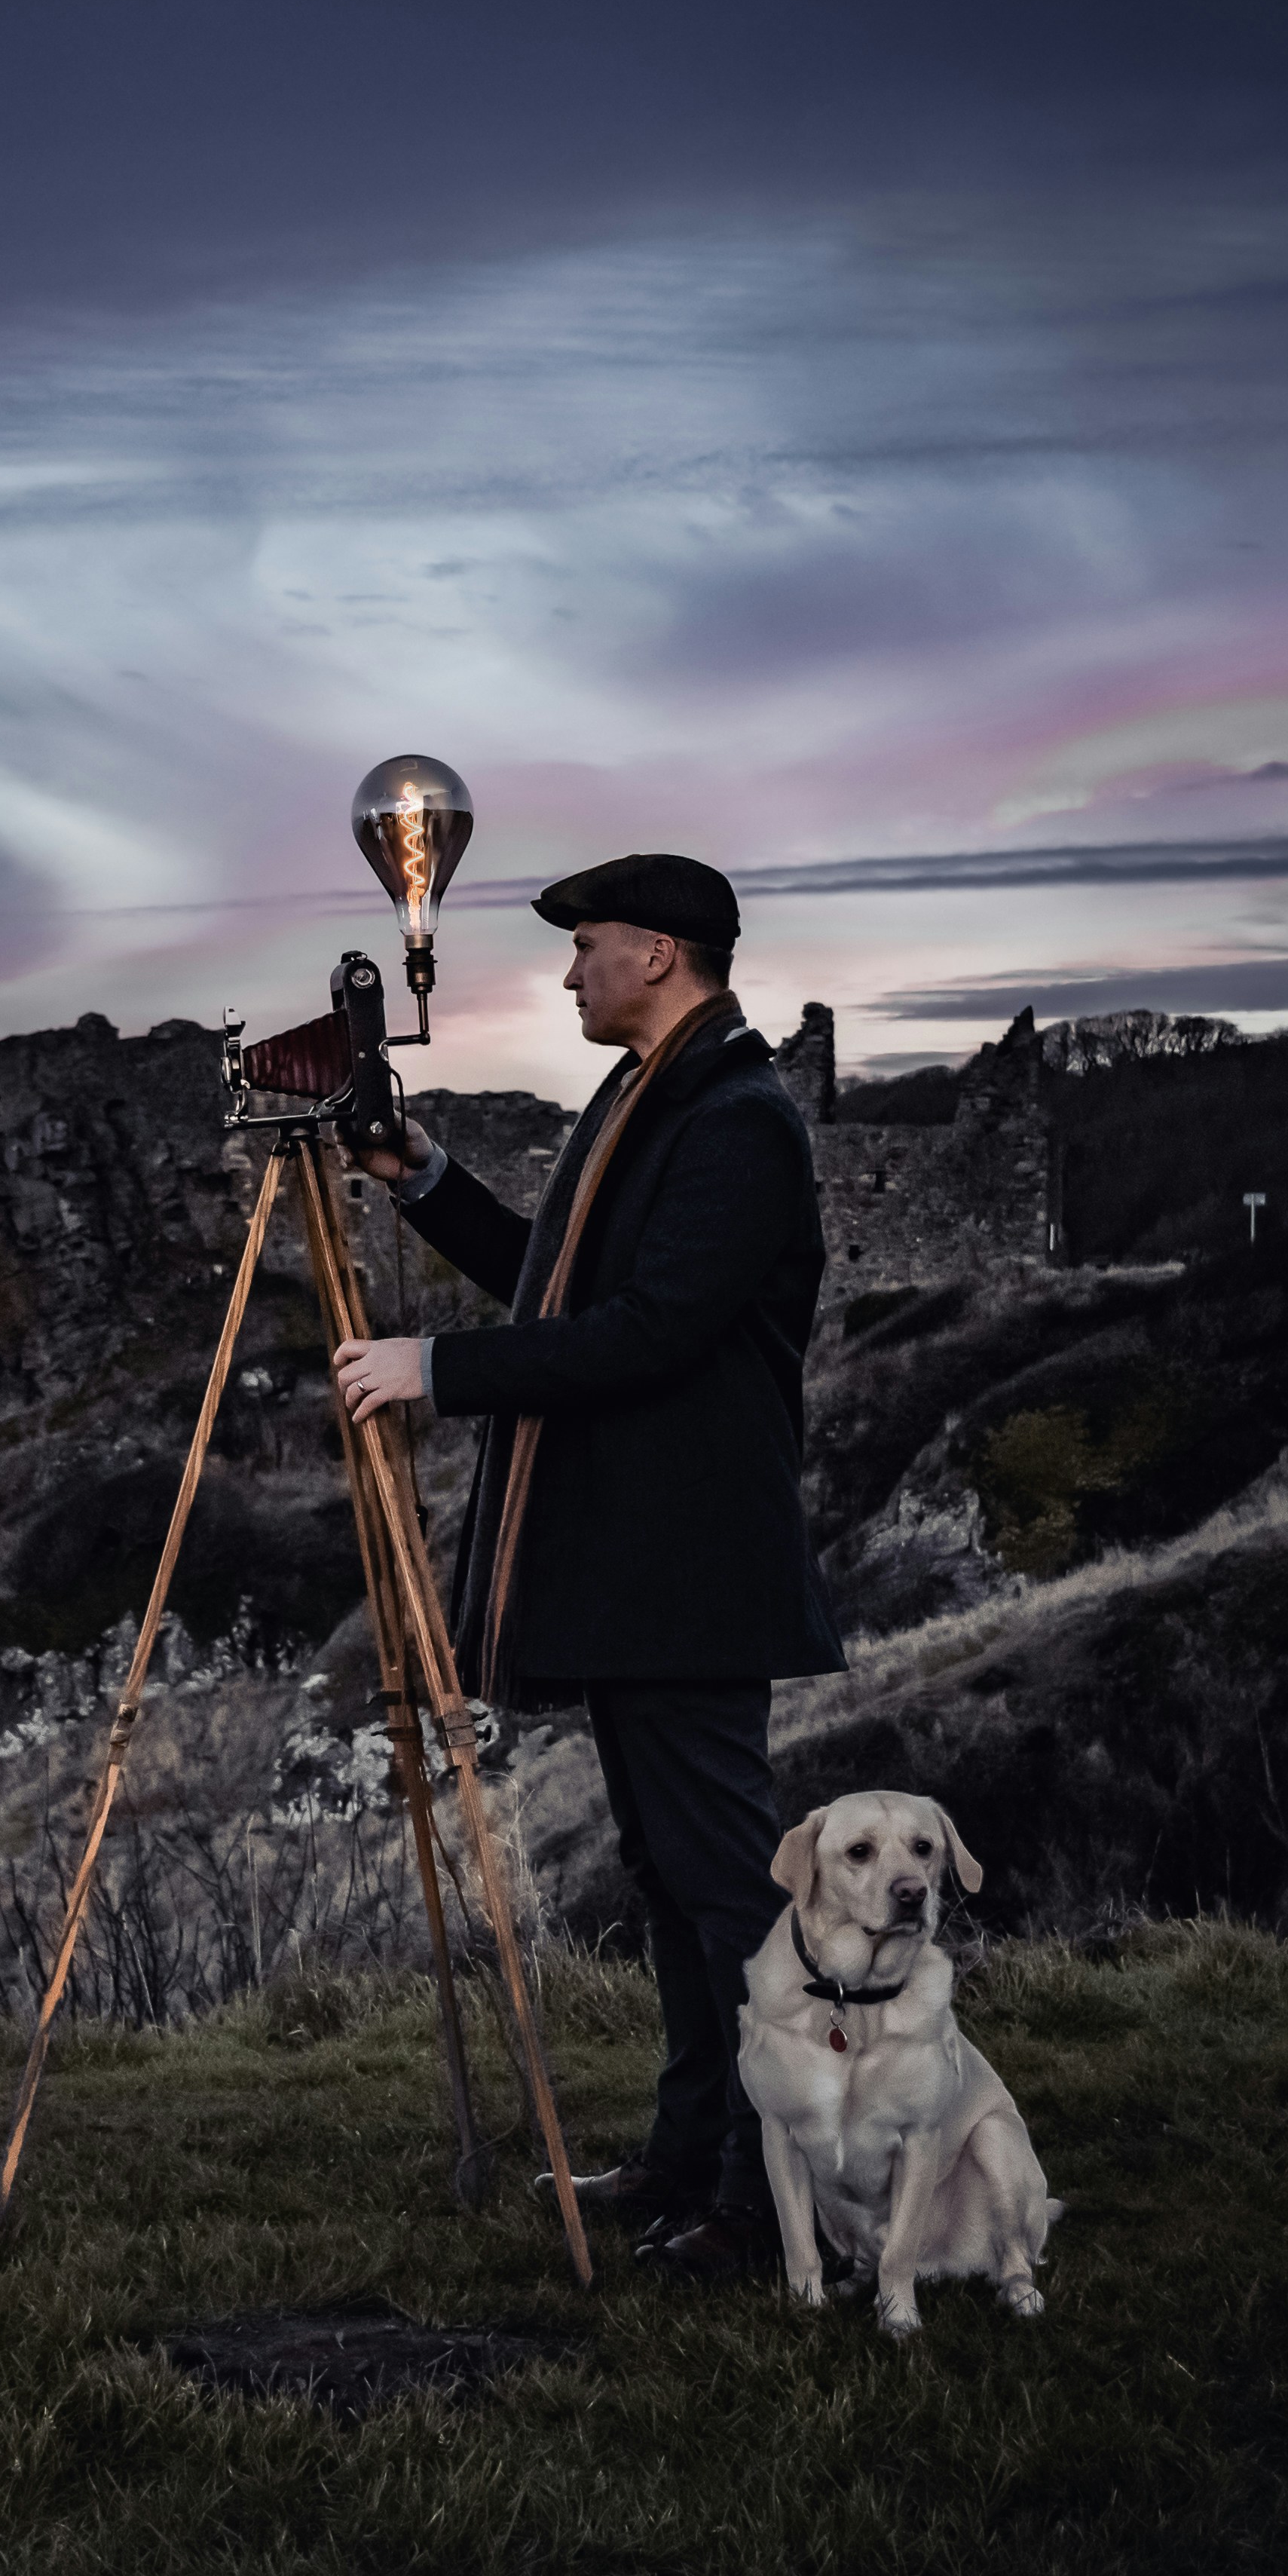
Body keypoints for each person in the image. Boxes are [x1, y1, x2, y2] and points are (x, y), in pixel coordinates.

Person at [334, 851, 845, 2279]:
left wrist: (435, 1369)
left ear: (663, 958)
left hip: (686, 1567)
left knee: (733, 1890)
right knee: (677, 1879)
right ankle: (690, 2164)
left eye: (590, 947)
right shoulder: (645, 1103)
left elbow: (654, 1331)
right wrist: (422, 1179)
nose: (569, 971)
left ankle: (765, 2206)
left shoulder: (735, 1120)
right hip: (641, 1568)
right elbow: (565, 1287)